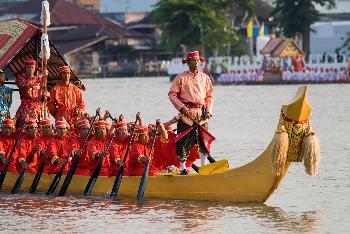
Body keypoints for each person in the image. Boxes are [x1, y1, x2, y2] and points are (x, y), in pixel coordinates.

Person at [168, 51, 213, 175]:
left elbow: (209, 96)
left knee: (204, 140)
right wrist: (182, 108)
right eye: (194, 60)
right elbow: (172, 95)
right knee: (183, 141)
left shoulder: (205, 77)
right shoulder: (180, 78)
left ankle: (203, 167)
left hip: (202, 114)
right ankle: (183, 167)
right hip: (186, 114)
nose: (196, 62)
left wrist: (209, 110)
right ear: (188, 62)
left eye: (198, 60)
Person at [15, 59, 48, 127]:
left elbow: (44, 93)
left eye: (32, 67)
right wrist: (39, 76)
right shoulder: (20, 78)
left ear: (34, 68)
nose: (30, 69)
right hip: (25, 107)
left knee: (39, 129)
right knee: (21, 128)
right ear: (25, 68)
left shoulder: (41, 80)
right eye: (28, 67)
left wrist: (46, 95)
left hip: (38, 107)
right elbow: (26, 85)